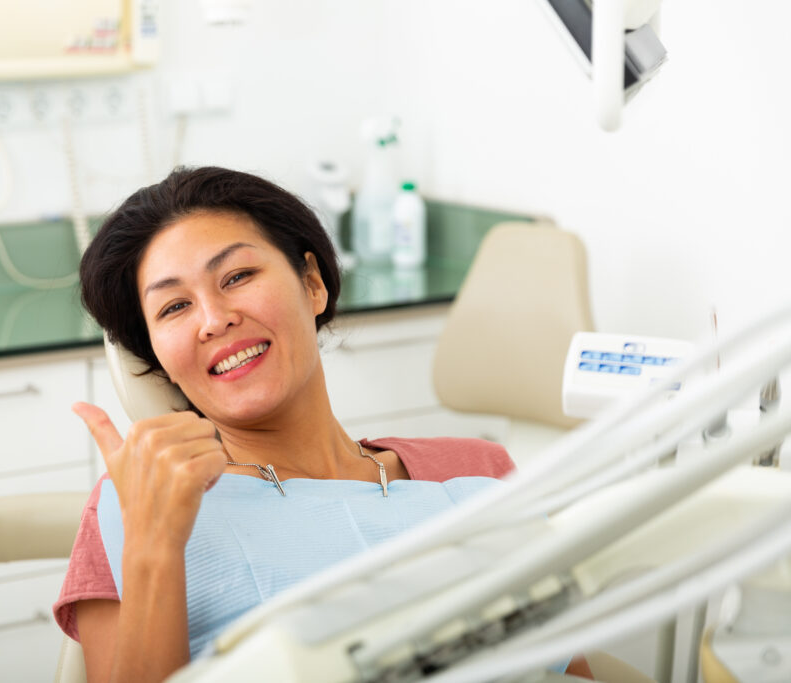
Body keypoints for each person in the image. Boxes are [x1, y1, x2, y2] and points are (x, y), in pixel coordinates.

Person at [53, 166, 592, 682]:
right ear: (155, 356)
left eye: (237, 276)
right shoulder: (136, 504)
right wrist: (153, 545)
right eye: (174, 307)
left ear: (312, 284)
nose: (215, 319)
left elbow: (567, 669)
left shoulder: (478, 470)